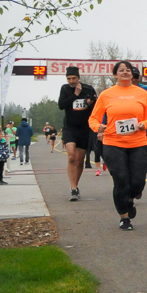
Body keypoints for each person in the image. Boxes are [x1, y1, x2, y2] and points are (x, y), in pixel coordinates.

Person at [88, 61, 147, 231]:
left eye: (128, 70)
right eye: (121, 70)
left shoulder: (142, 93)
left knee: (138, 182)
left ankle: (130, 199)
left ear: (132, 75)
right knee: (121, 180)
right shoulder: (106, 94)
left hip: (138, 142)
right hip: (113, 142)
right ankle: (124, 218)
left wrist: (144, 124)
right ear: (115, 74)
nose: (125, 73)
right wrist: (99, 128)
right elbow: (93, 119)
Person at [58, 66, 98, 201]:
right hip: (70, 127)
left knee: (80, 160)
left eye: (73, 78)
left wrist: (89, 102)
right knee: (71, 157)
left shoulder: (88, 89)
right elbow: (61, 105)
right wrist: (74, 95)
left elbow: (96, 107)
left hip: (84, 129)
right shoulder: (65, 89)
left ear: (78, 77)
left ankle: (76, 186)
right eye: (69, 78)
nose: (71, 81)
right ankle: (73, 188)